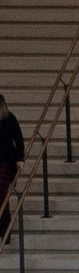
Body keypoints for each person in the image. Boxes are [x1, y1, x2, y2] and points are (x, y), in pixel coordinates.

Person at [0, 95, 23, 235]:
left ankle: (4, 229)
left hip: (6, 163)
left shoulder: (10, 119)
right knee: (2, 197)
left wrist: (20, 159)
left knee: (2, 196)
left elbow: (18, 139)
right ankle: (4, 229)